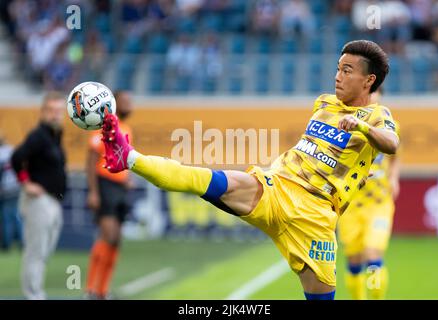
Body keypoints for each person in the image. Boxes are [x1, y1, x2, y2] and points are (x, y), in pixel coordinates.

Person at [100, 40, 400, 300]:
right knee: (208, 179)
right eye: (338, 67)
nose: (337, 76)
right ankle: (128, 157)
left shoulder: (377, 115)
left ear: (368, 80)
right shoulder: (324, 102)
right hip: (277, 186)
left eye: (347, 70)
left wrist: (361, 127)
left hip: (315, 216)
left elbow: (392, 143)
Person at [338, 87, 400, 300]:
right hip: (351, 204)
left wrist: (393, 177)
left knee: (373, 256)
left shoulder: (388, 125)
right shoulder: (346, 123)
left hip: (379, 204)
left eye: (376, 93)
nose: (372, 97)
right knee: (354, 262)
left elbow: (395, 154)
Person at [11, 91, 67, 300]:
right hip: (39, 201)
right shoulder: (39, 136)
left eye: (59, 111)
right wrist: (26, 182)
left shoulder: (54, 135)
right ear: (43, 112)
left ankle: (36, 292)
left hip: (53, 200)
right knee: (35, 251)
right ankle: (33, 295)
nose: (55, 115)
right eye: (51, 110)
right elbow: (17, 157)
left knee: (44, 251)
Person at [85, 91, 134, 299]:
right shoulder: (104, 127)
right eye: (125, 101)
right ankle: (90, 289)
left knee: (116, 241)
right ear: (115, 104)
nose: (130, 105)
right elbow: (91, 162)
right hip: (104, 186)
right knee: (108, 236)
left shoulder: (126, 128)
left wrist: (127, 179)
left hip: (119, 188)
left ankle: (103, 291)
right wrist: (94, 192)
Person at [0, 130, 22, 250]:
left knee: (6, 217)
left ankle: (6, 244)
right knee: (17, 216)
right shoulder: (11, 150)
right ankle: (23, 242)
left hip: (6, 188)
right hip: (16, 186)